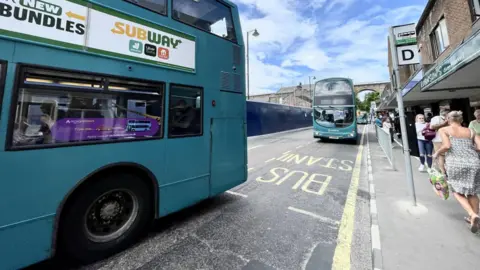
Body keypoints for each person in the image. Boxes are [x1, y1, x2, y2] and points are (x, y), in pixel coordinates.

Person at [433, 111, 480, 233]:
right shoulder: (470, 131)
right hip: (474, 162)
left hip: (455, 163)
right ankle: (473, 217)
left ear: (448, 119)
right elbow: (479, 147)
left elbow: (447, 146)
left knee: (456, 191)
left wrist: (437, 153)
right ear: (461, 120)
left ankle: (472, 214)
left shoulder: (444, 130)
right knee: (472, 192)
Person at [430, 108, 450, 173]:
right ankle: (443, 171)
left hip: (448, 139)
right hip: (438, 140)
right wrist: (444, 123)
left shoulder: (450, 119)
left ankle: (446, 170)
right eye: (448, 113)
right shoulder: (436, 118)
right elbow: (432, 127)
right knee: (441, 155)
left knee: (447, 155)